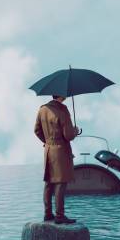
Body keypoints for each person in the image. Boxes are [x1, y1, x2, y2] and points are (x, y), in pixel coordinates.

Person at [34, 95, 79, 224]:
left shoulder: (43, 109)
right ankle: (60, 216)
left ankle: (47, 214)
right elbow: (68, 135)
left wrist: (47, 141)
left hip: (48, 150)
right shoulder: (63, 110)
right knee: (60, 182)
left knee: (49, 182)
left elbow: (36, 130)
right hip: (61, 151)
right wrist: (74, 131)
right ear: (61, 95)